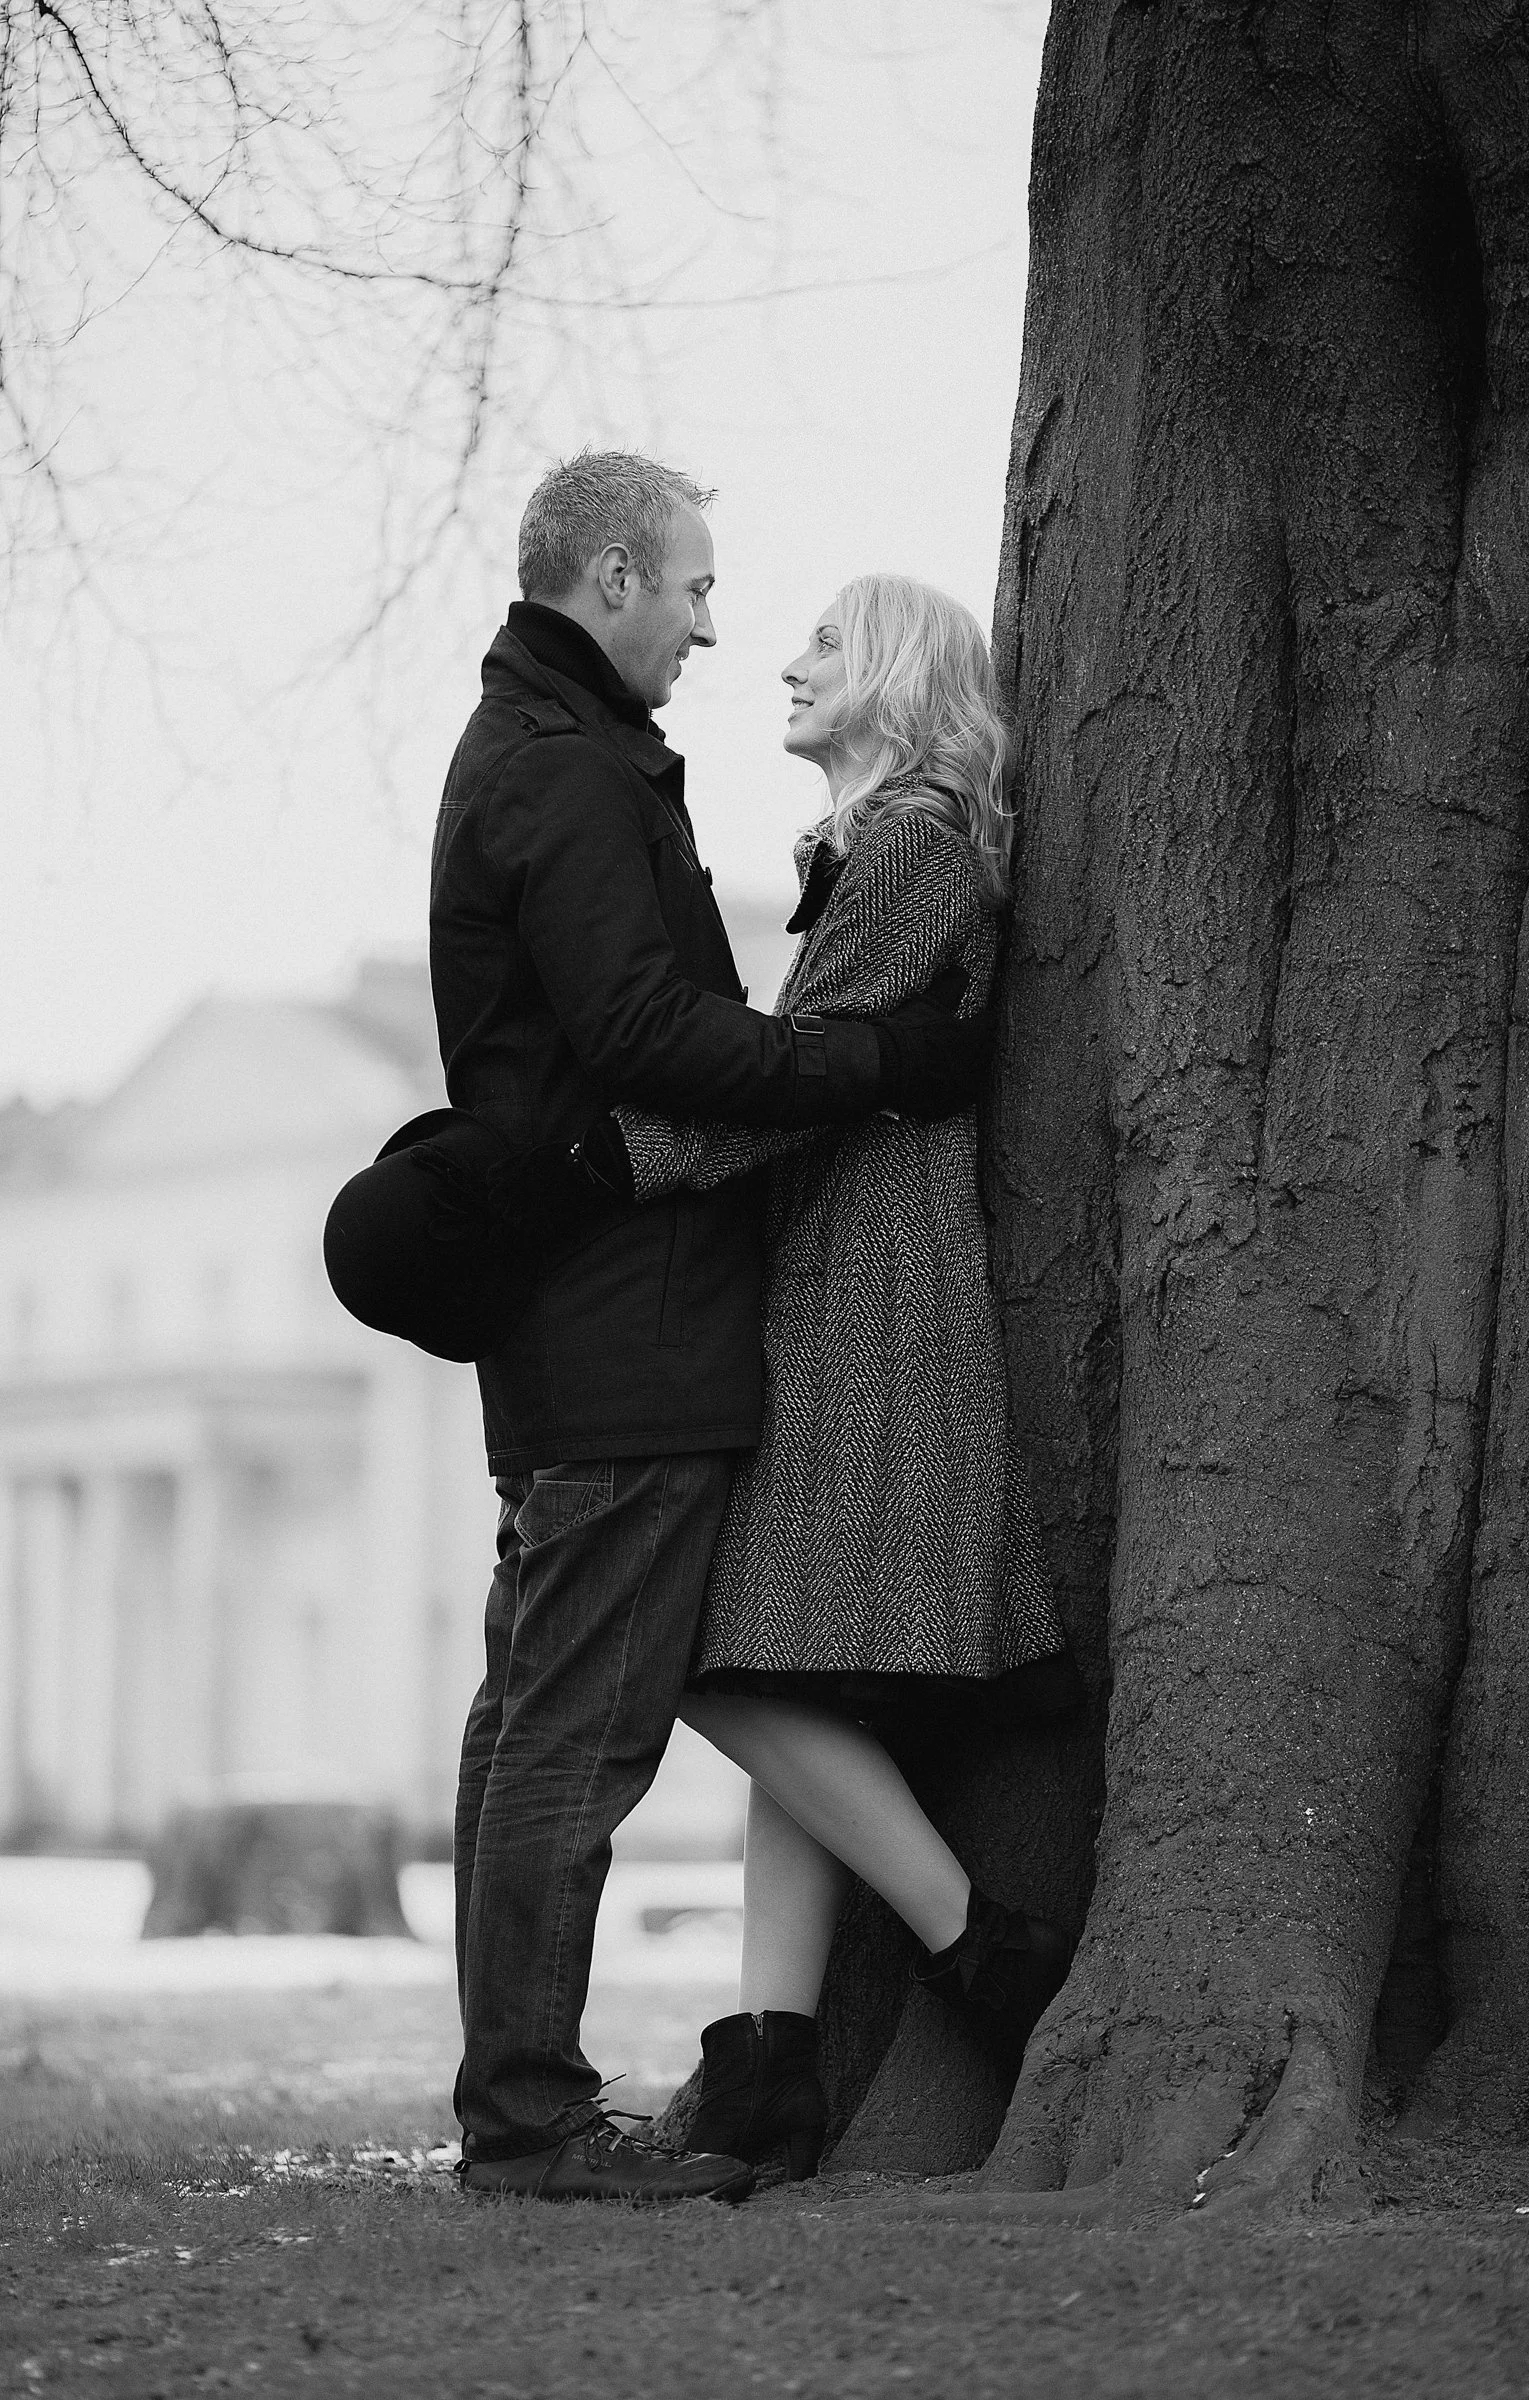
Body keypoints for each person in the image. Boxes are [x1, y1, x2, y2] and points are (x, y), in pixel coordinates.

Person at [430, 455, 994, 2202]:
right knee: (591, 1726)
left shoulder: (557, 758)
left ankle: (683, 2075)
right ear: (611, 578)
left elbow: (652, 1048)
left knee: (568, 1716)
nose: (718, 627)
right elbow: (650, 1041)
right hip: (631, 1318)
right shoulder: (575, 773)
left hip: (673, 1314)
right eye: (692, 589)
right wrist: (868, 1069)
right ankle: (538, 2121)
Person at [607, 575, 1080, 2180]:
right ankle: (770, 2068)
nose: (784, 666)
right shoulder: (887, 850)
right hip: (845, 1283)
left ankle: (975, 1941)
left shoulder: (911, 844)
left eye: (822, 645)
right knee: (779, 1664)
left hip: (868, 1298)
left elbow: (802, 1084)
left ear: (892, 676)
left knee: (699, 1645)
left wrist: (608, 1161)